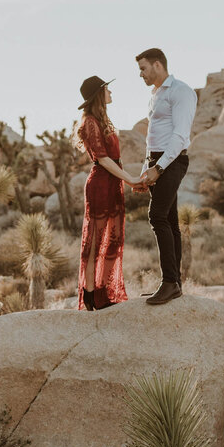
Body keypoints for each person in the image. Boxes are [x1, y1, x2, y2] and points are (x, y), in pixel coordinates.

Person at [75, 75, 142, 311]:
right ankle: (92, 294)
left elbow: (114, 159)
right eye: (107, 90)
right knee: (96, 241)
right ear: (99, 94)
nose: (111, 94)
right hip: (101, 184)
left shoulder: (102, 120)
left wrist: (126, 180)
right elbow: (103, 159)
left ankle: (103, 292)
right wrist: (131, 179)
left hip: (112, 182)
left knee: (110, 240)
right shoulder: (90, 122)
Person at [136, 48, 196, 305]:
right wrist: (145, 169)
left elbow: (180, 135)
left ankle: (170, 282)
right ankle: (174, 283)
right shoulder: (155, 95)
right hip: (157, 160)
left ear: (157, 65)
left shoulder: (181, 91)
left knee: (157, 216)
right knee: (170, 220)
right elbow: (154, 137)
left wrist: (158, 168)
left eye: (143, 69)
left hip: (171, 161)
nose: (141, 75)